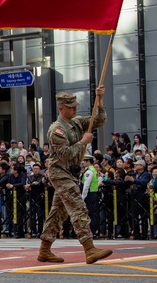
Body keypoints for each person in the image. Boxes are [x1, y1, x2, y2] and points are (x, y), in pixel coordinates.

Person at [36, 88, 113, 264]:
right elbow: (65, 154)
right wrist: (82, 142)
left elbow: (99, 120)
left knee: (58, 212)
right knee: (78, 207)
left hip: (71, 173)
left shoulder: (77, 123)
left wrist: (99, 100)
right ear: (61, 108)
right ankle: (89, 248)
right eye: (71, 107)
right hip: (60, 172)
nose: (75, 110)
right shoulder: (56, 130)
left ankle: (45, 249)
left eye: (75, 106)